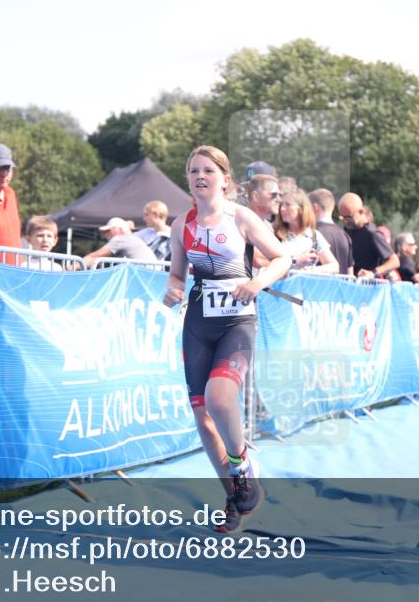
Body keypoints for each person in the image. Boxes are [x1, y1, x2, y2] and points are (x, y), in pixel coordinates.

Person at [162, 146, 290, 533]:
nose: (200, 176)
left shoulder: (241, 217)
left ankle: (241, 465)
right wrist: (172, 289)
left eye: (208, 170)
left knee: (221, 398)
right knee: (203, 419)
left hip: (237, 322)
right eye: (193, 171)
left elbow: (282, 259)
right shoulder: (180, 224)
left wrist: (257, 281)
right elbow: (177, 275)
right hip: (199, 323)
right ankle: (237, 495)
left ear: (225, 179)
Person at [274, 189, 339, 274]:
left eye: (288, 205)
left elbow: (334, 266)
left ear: (301, 208)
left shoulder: (314, 235)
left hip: (304, 286)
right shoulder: (275, 234)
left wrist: (312, 270)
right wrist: (295, 260)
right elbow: (264, 263)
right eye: (281, 205)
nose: (282, 209)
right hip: (279, 286)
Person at [337, 192, 399, 279]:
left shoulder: (372, 234)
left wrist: (373, 273)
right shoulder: (347, 230)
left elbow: (394, 261)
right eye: (342, 217)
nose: (345, 221)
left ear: (361, 212)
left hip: (366, 286)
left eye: (349, 217)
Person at [308, 188, 353, 276]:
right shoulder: (345, 235)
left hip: (319, 287)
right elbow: (350, 272)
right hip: (342, 288)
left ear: (315, 207)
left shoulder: (313, 233)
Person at [85, 217, 157, 263]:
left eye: (109, 230)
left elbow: (94, 256)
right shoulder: (132, 238)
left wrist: (74, 267)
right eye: (104, 232)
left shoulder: (121, 239)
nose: (106, 234)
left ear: (119, 229)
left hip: (144, 277)